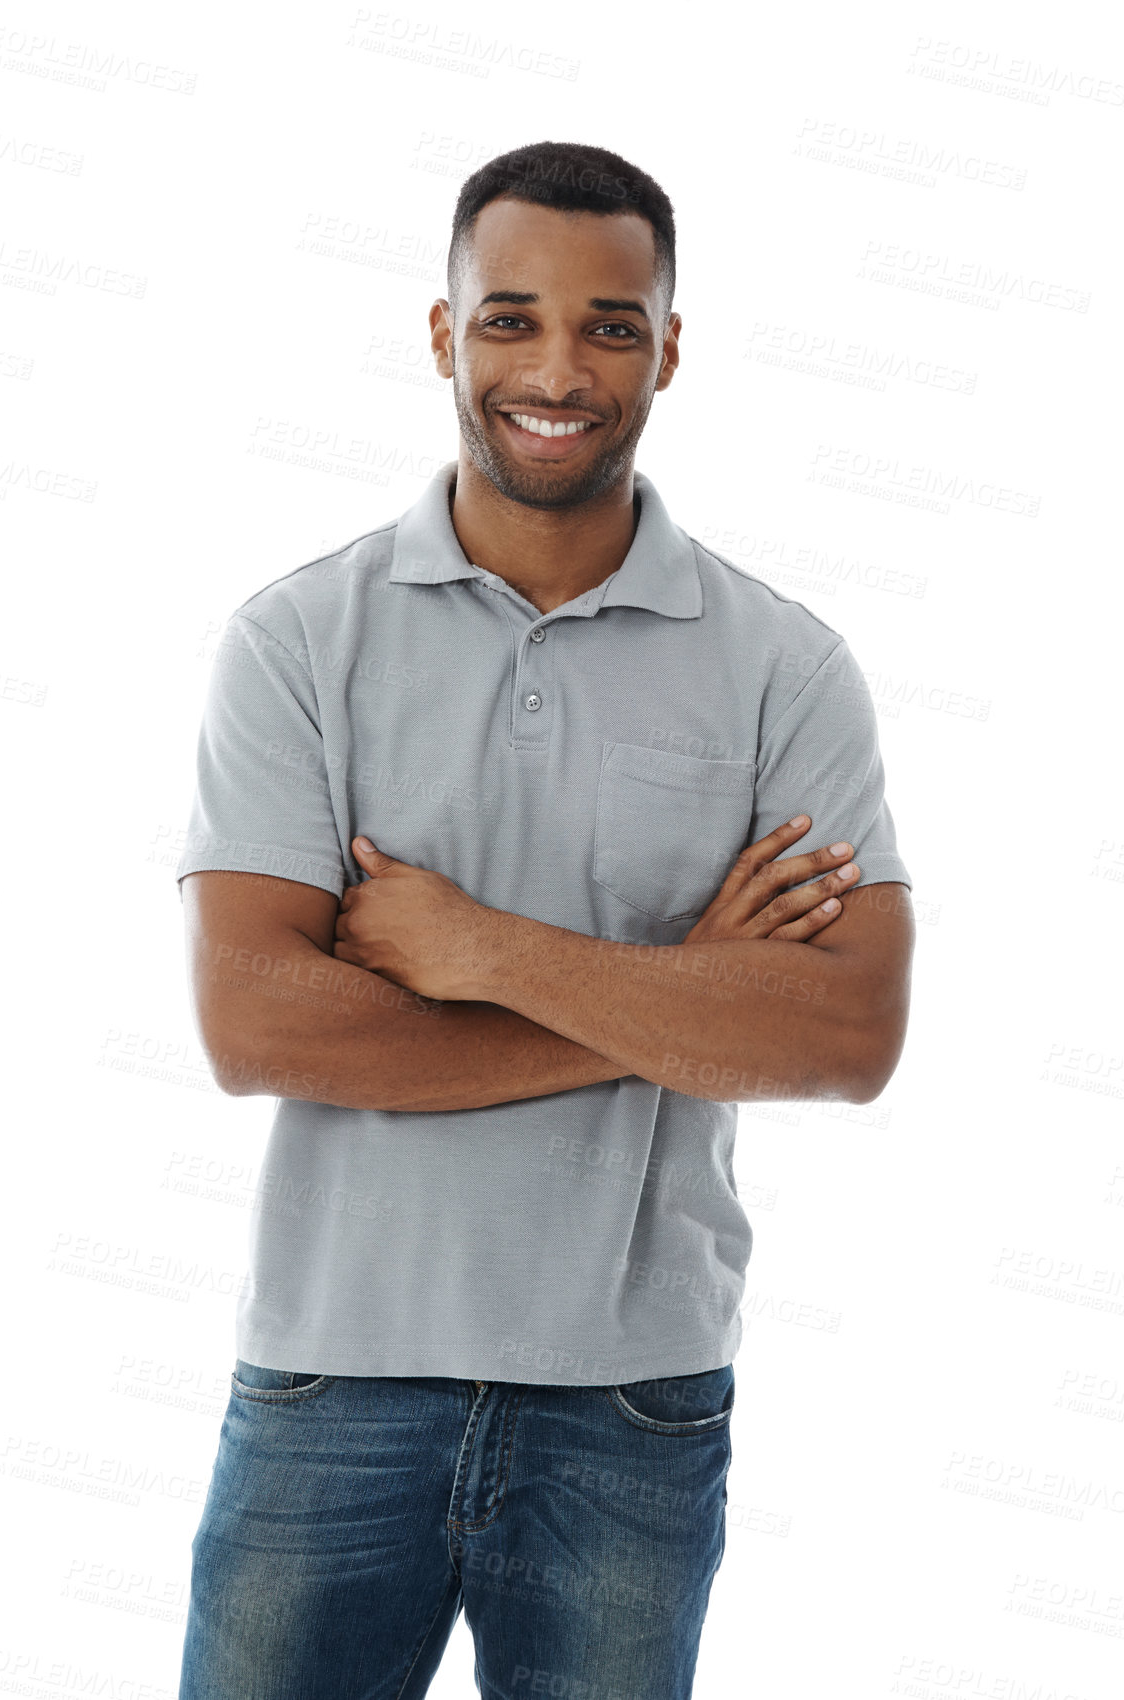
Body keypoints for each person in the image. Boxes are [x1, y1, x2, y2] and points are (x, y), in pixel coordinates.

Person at [174, 139, 914, 1699]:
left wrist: (480, 952)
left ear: (668, 349)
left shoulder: (786, 668)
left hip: (631, 1398)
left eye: (610, 325)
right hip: (332, 1376)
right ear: (443, 334)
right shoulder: (299, 642)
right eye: (509, 319)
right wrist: (687, 997)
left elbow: (845, 1036)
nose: (558, 368)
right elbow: (257, 1025)